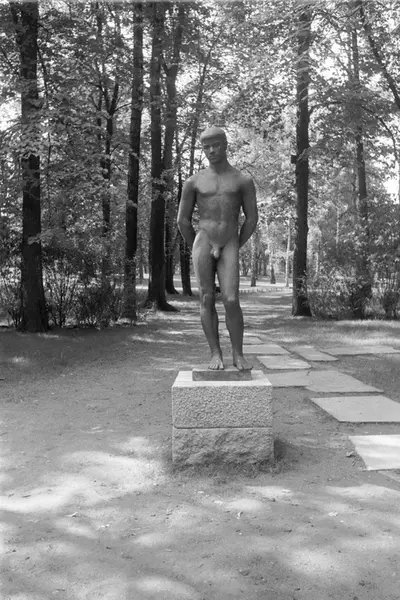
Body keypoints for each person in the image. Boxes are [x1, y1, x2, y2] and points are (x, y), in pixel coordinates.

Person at [177, 126, 258, 371]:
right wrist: (197, 245)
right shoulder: (194, 181)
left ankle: (238, 353)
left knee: (231, 299)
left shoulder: (242, 180)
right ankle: (215, 353)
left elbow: (251, 218)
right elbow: (182, 220)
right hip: (203, 239)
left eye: (216, 145)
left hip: (229, 240)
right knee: (206, 297)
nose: (211, 150)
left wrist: (235, 243)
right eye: (206, 147)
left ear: (225, 145)